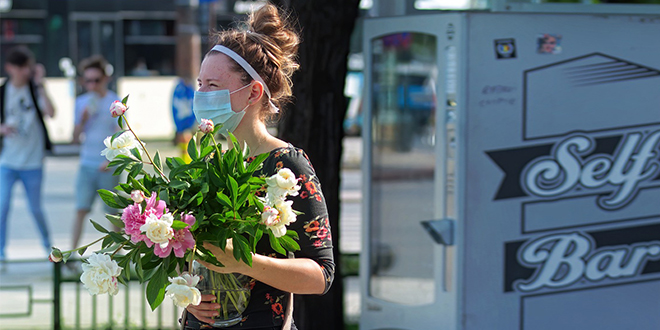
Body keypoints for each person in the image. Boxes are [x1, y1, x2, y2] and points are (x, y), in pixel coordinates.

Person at [184, 4, 335, 330]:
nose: (201, 94)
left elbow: (321, 275)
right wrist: (190, 299)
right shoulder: (209, 163)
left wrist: (241, 260)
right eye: (199, 84)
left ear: (252, 92)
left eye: (213, 85)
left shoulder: (286, 166)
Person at [0, 45, 55, 261]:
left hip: (33, 163)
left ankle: (48, 248)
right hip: (8, 161)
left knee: (36, 209)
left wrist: (41, 84)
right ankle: (1, 252)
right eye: (21, 67)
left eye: (27, 67)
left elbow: (51, 113)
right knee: (2, 207)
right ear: (10, 68)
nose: (25, 71)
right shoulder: (4, 91)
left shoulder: (34, 88)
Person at [70, 55, 120, 250]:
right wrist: (82, 120)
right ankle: (71, 254)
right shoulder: (81, 102)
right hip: (86, 163)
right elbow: (74, 138)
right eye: (87, 80)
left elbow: (120, 134)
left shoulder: (114, 103)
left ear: (105, 79)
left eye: (96, 80)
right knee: (80, 209)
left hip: (107, 165)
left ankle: (117, 255)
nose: (91, 85)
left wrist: (111, 159)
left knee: (114, 213)